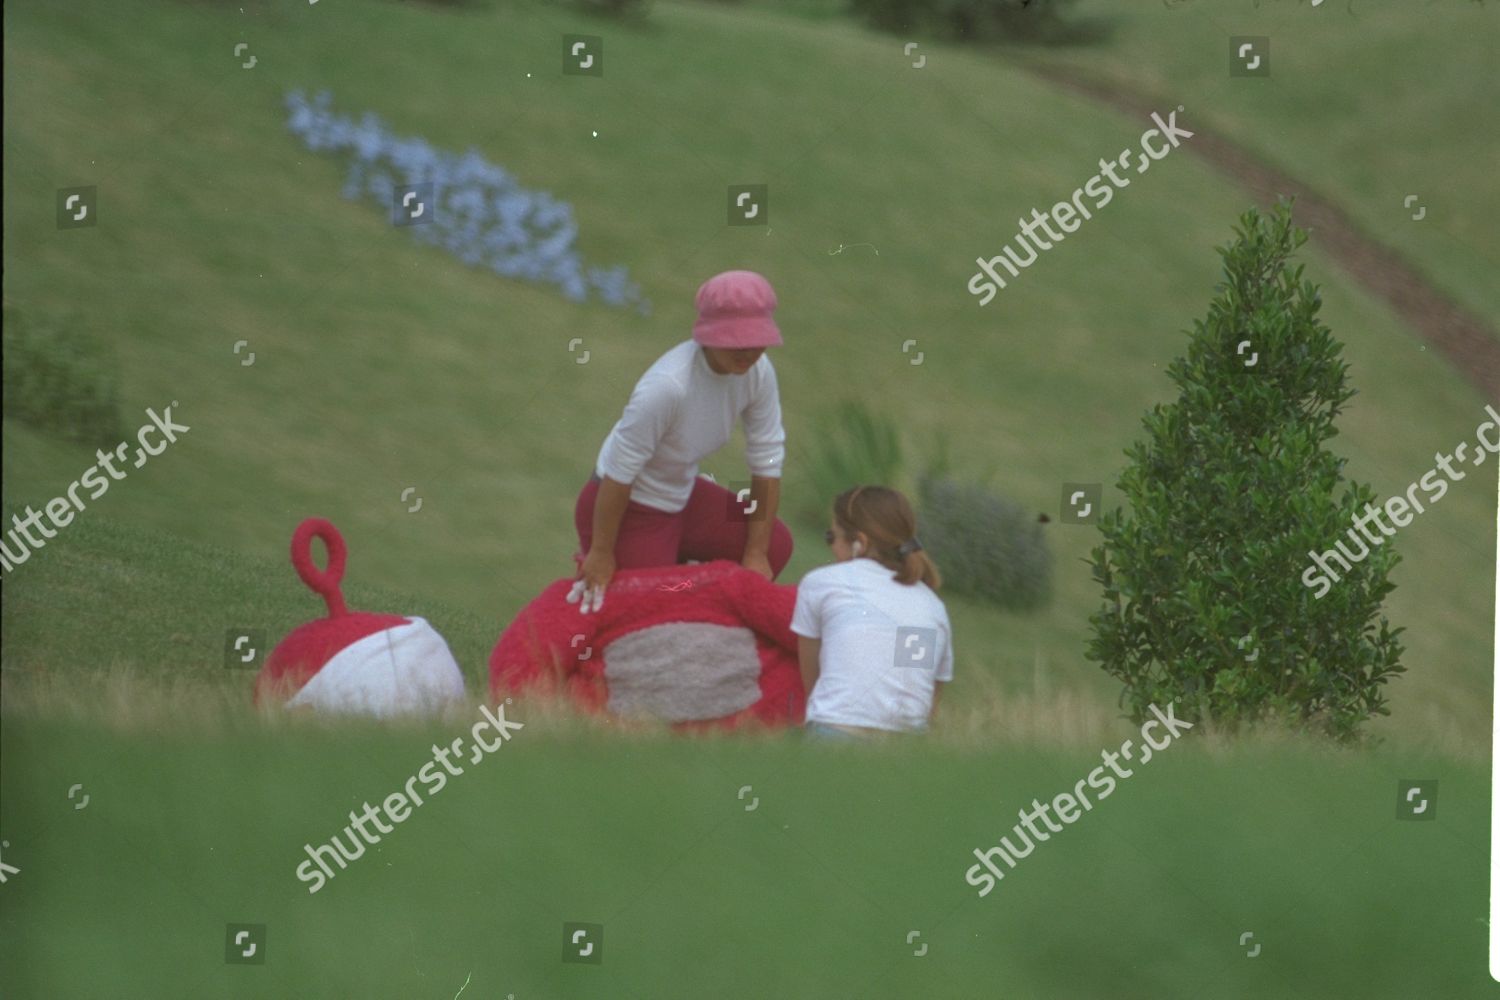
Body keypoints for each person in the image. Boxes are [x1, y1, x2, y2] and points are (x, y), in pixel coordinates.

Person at [568, 270, 795, 613]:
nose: (749, 351)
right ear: (709, 335)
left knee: (776, 545)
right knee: (650, 614)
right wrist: (601, 552)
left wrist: (756, 554)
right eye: (737, 340)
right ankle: (664, 580)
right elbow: (618, 472)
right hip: (628, 505)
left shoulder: (759, 373)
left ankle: (695, 596)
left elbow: (767, 459)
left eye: (757, 338)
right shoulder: (668, 386)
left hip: (682, 493)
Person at [791, 485, 952, 737]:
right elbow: (925, 696)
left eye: (831, 537)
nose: (831, 547)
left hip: (835, 731)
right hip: (908, 745)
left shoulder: (821, 582)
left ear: (860, 543)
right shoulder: (932, 605)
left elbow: (812, 682)